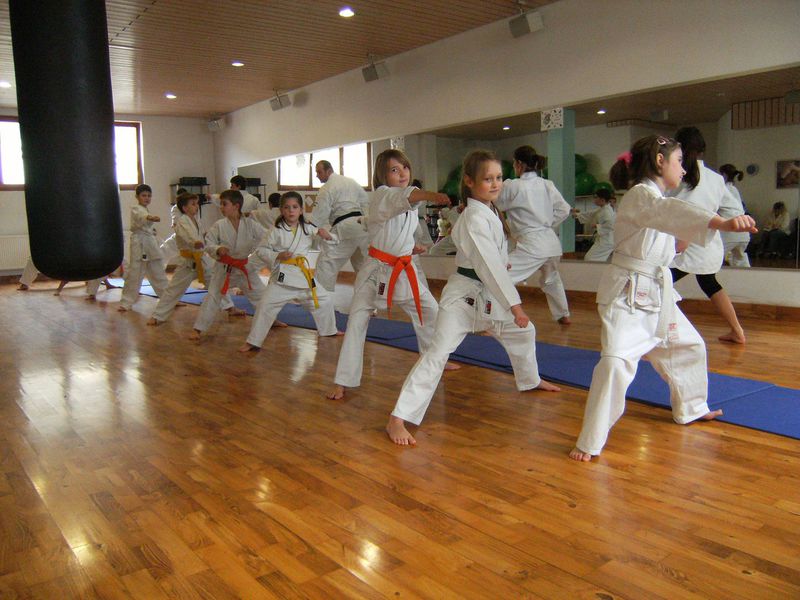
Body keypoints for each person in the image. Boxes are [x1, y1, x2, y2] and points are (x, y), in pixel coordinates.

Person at [569, 135, 757, 462]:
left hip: (656, 293)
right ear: (659, 161)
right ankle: (589, 441)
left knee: (689, 347)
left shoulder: (654, 200)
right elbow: (668, 212)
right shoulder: (641, 195)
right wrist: (720, 222)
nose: (683, 170)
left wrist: (686, 237)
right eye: (679, 161)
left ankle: (692, 407)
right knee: (615, 363)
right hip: (627, 298)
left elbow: (668, 234)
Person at [387, 150, 561, 446]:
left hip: (487, 294)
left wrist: (504, 267)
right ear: (469, 181)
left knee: (524, 332)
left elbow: (493, 259)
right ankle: (397, 418)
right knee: (437, 353)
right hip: (463, 298)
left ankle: (531, 380)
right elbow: (488, 265)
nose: (495, 184)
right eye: (488, 179)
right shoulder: (473, 217)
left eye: (499, 178)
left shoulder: (489, 210)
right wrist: (516, 306)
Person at [327, 149, 451, 401]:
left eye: (405, 167)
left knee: (430, 311)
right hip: (375, 273)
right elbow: (405, 197)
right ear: (382, 176)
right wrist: (433, 195)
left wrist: (411, 247)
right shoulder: (383, 194)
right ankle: (343, 381)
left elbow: (395, 231)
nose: (402, 173)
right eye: (394, 170)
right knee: (356, 322)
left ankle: (434, 358)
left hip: (402, 269)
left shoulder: (408, 204)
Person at [668, 127, 746, 344]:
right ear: (702, 149)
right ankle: (737, 331)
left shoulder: (679, 176)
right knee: (709, 283)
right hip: (705, 245)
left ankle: (667, 331)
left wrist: (694, 230)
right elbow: (734, 211)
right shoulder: (715, 179)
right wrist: (715, 220)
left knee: (660, 282)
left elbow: (684, 209)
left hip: (685, 245)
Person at [239, 191, 341, 351]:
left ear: (301, 210)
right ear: (281, 210)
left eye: (295, 207)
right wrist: (277, 255)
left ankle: (329, 330)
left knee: (325, 300)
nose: (291, 210)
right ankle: (252, 341)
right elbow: (261, 250)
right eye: (287, 207)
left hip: (303, 276)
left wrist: (327, 236)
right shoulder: (276, 230)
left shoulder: (308, 228)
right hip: (282, 279)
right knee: (265, 307)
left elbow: (328, 243)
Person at [496, 145, 572, 324]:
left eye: (514, 163)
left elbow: (495, 203)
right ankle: (563, 315)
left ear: (519, 164)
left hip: (532, 244)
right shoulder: (547, 184)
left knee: (499, 277)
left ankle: (493, 319)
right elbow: (564, 210)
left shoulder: (512, 186)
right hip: (551, 242)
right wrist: (546, 224)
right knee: (551, 279)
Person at [189, 190, 268, 340]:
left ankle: (271, 321)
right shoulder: (219, 225)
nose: (221, 207)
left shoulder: (250, 224)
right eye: (221, 204)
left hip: (244, 267)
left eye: (224, 204)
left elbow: (267, 237)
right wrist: (218, 249)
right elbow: (208, 243)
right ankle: (198, 329)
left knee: (261, 295)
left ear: (236, 206)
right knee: (213, 297)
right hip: (225, 269)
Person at [146, 193, 236, 325]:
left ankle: (230, 308)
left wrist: (208, 238)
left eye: (196, 203)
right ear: (184, 208)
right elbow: (187, 235)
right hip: (187, 263)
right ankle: (157, 316)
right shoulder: (182, 221)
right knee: (173, 290)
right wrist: (195, 242)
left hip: (202, 260)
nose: (196, 206)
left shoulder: (196, 220)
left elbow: (201, 237)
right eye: (193, 204)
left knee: (217, 283)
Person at [309, 160, 370, 292]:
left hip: (344, 228)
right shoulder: (351, 182)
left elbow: (319, 214)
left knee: (326, 264)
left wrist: (310, 230)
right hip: (362, 227)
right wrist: (368, 223)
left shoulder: (327, 188)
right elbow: (366, 201)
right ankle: (368, 301)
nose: (317, 175)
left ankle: (320, 299)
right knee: (363, 267)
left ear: (329, 171)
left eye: (319, 172)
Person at [118, 184, 170, 312]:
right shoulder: (136, 208)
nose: (147, 198)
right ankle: (126, 302)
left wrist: (152, 229)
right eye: (144, 195)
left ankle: (168, 300)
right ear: (137, 196)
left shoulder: (146, 209)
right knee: (134, 274)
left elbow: (146, 224)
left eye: (149, 196)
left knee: (159, 273)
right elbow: (142, 216)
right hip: (139, 244)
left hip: (150, 244)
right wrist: (150, 217)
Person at [718, 164, 750, 267]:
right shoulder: (734, 189)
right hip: (744, 232)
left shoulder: (722, 189)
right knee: (740, 259)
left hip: (731, 232)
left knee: (715, 255)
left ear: (723, 175)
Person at [571, 188, 616, 262]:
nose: (594, 199)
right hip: (604, 239)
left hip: (606, 241)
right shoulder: (603, 209)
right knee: (593, 259)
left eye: (596, 197)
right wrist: (577, 215)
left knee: (590, 259)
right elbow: (591, 214)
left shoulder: (606, 211)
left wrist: (597, 226)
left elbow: (611, 225)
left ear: (602, 200)